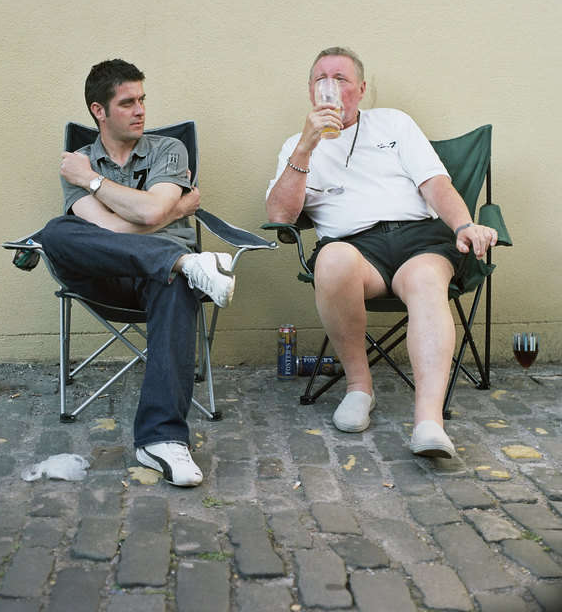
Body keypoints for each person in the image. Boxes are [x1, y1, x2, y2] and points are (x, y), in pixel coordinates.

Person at [265, 47, 498, 458]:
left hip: (420, 240)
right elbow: (280, 216)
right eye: (321, 80)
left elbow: (435, 184)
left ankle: (428, 421)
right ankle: (359, 387)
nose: (330, 87)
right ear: (310, 91)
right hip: (355, 249)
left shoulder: (393, 122)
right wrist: (305, 148)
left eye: (341, 79)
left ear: (360, 89)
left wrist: (464, 225)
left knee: (426, 280)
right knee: (331, 260)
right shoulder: (295, 146)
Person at [39, 58, 235, 487]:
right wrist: (176, 211)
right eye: (127, 103)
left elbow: (149, 212)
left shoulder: (169, 149)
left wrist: (100, 187)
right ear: (99, 110)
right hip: (105, 279)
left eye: (142, 99)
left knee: (175, 283)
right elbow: (110, 229)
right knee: (56, 232)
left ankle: (161, 440)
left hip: (161, 282)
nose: (141, 110)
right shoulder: (78, 162)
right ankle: (185, 261)